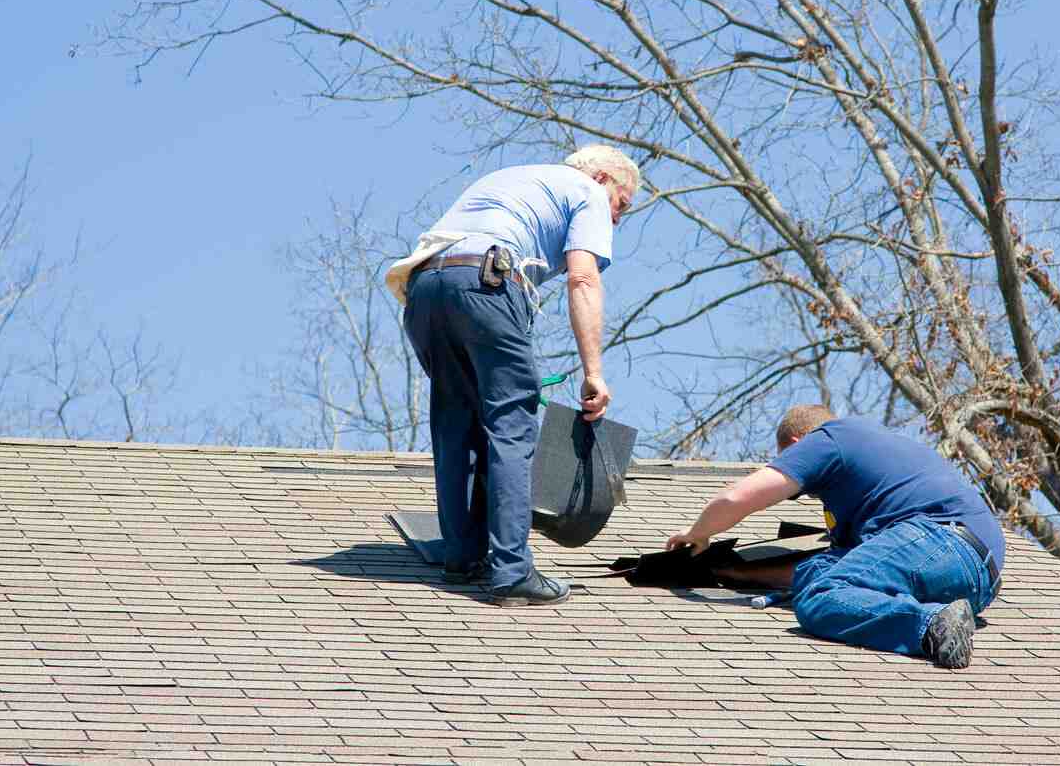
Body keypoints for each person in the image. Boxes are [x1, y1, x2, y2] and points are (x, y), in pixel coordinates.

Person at [389, 145, 638, 607]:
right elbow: (583, 279)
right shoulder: (586, 190)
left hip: (424, 289)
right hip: (486, 282)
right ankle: (512, 571)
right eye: (622, 205)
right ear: (604, 178)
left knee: (455, 425)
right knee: (511, 425)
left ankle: (463, 557)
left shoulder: (515, 179)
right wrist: (594, 373)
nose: (618, 219)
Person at [666, 404, 1004, 668]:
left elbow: (738, 498)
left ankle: (929, 623)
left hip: (940, 539)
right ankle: (942, 616)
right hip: (975, 579)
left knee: (818, 598)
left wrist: (697, 533)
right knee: (821, 574)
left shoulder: (828, 438)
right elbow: (831, 570)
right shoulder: (878, 467)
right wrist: (734, 574)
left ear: (797, 445)